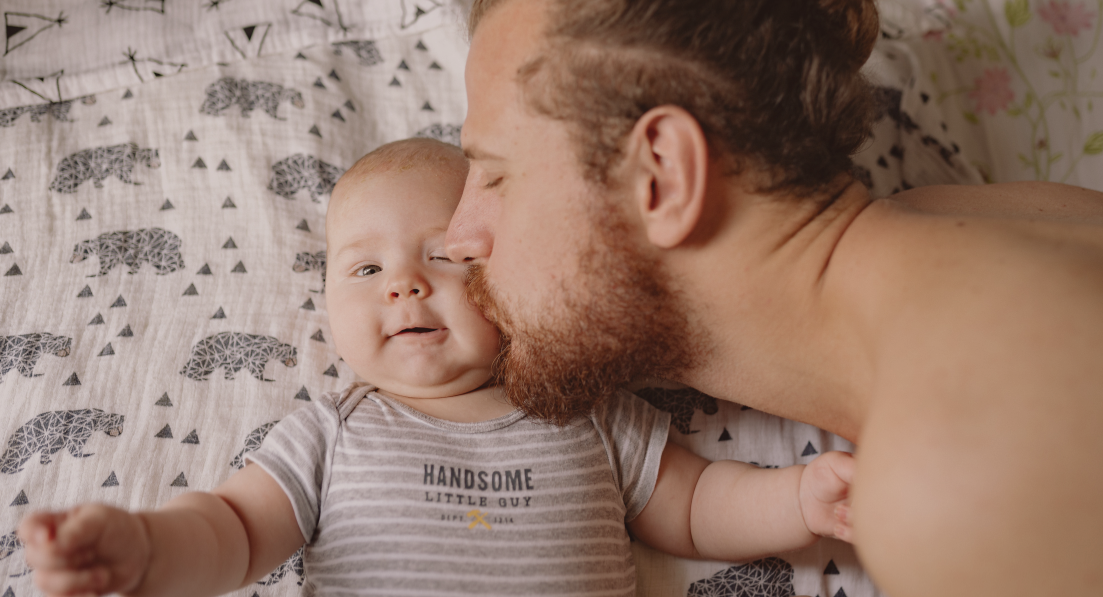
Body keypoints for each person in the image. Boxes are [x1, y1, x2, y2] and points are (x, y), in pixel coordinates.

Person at [441, 0, 1103, 596]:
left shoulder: (962, 479)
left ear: (662, 176)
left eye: (496, 176)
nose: (457, 238)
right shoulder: (1011, 220)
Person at [18, 138, 855, 597]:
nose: (405, 284)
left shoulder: (582, 411)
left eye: (443, 255)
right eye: (365, 268)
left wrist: (798, 499)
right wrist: (147, 548)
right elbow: (232, 533)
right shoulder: (331, 435)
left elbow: (698, 507)